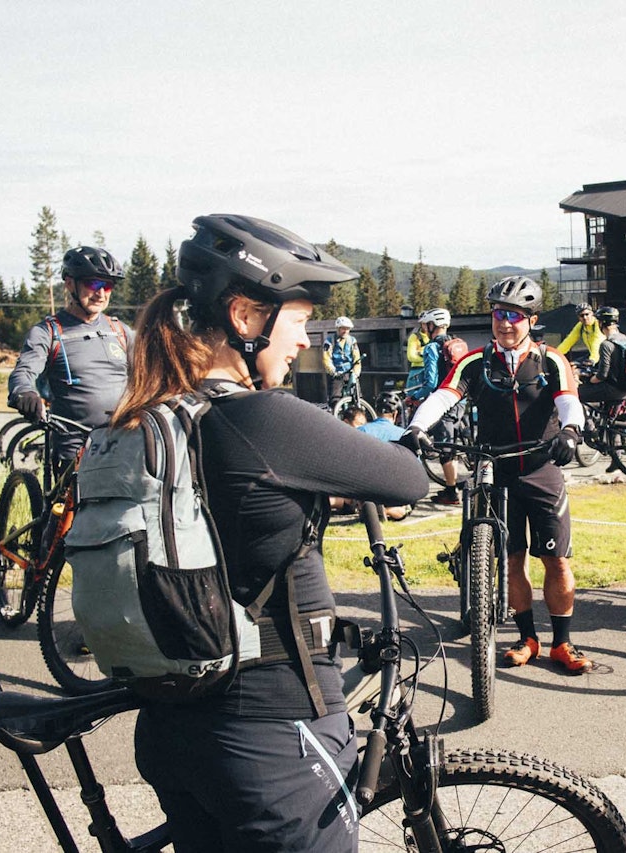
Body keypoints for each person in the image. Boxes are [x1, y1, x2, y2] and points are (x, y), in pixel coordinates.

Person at [121, 214, 426, 852]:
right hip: (273, 733)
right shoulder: (263, 416)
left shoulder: (149, 417)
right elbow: (407, 480)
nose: (304, 340)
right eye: (298, 320)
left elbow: (228, 510)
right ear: (245, 316)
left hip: (172, 726)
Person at [401, 276, 594, 673]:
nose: (505, 323)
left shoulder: (550, 359)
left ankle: (563, 643)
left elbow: (570, 402)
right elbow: (443, 396)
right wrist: (416, 428)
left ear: (531, 320)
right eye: (498, 314)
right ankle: (527, 639)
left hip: (541, 468)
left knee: (555, 560)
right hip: (495, 468)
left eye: (515, 316)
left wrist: (572, 431)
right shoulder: (475, 362)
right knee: (513, 558)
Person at [7, 246, 133, 471]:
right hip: (75, 447)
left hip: (125, 441)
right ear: (69, 283)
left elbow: (154, 369)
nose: (100, 293)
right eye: (92, 284)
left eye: (107, 285)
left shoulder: (120, 331)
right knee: (72, 506)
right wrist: (24, 392)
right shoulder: (49, 332)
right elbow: (24, 371)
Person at [408, 307, 463, 506]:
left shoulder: (432, 348)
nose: (423, 329)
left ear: (432, 325)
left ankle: (451, 492)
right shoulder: (454, 342)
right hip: (460, 399)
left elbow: (431, 383)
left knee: (445, 447)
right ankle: (453, 485)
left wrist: (415, 396)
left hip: (444, 401)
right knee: (453, 443)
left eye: (425, 325)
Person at [577, 306, 626, 406]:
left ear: (601, 323)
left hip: (612, 389)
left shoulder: (606, 345)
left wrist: (590, 380)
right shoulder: (625, 339)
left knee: (575, 393)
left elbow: (602, 375)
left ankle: (587, 421)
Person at [323, 315, 361, 403]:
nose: (345, 331)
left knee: (357, 397)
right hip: (336, 373)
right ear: (338, 328)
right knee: (335, 398)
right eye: (343, 328)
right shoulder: (329, 341)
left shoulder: (352, 341)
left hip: (350, 372)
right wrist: (333, 371)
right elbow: (326, 358)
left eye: (347, 329)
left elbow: (357, 358)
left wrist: (355, 372)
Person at [556, 302, 605, 366]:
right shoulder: (580, 326)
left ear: (592, 314)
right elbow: (569, 341)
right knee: (572, 366)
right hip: (593, 357)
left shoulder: (597, 324)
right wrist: (556, 354)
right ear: (578, 317)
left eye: (587, 314)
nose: (585, 317)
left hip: (603, 358)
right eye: (581, 315)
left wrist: (593, 359)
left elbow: (597, 342)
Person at [404, 311, 434, 400]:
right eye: (423, 323)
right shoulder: (415, 337)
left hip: (431, 370)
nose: (426, 326)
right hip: (417, 372)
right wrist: (427, 357)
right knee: (413, 399)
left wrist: (421, 353)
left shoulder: (434, 337)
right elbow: (411, 356)